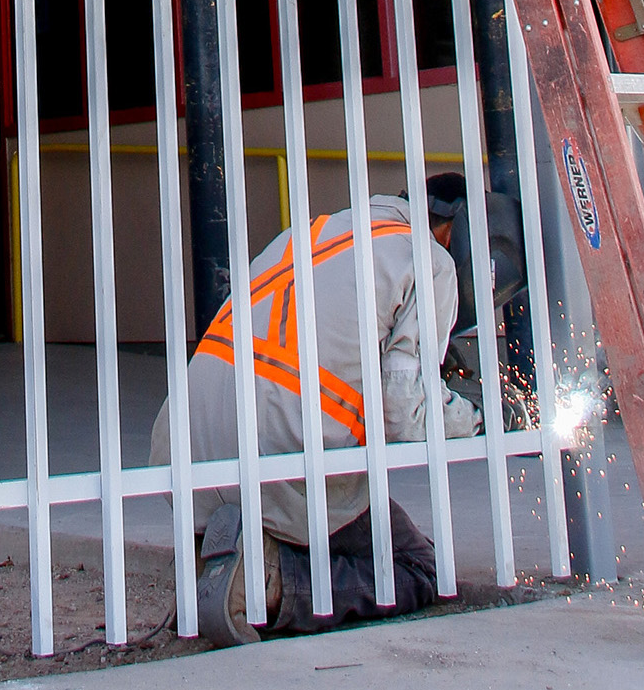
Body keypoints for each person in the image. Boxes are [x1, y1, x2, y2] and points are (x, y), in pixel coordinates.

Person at [148, 174, 526, 646]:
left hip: (186, 446)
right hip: (278, 451)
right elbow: (402, 413)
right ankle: (267, 582)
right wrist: (479, 419)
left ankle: (222, 555)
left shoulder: (320, 230)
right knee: (415, 565)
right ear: (462, 232)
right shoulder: (431, 263)